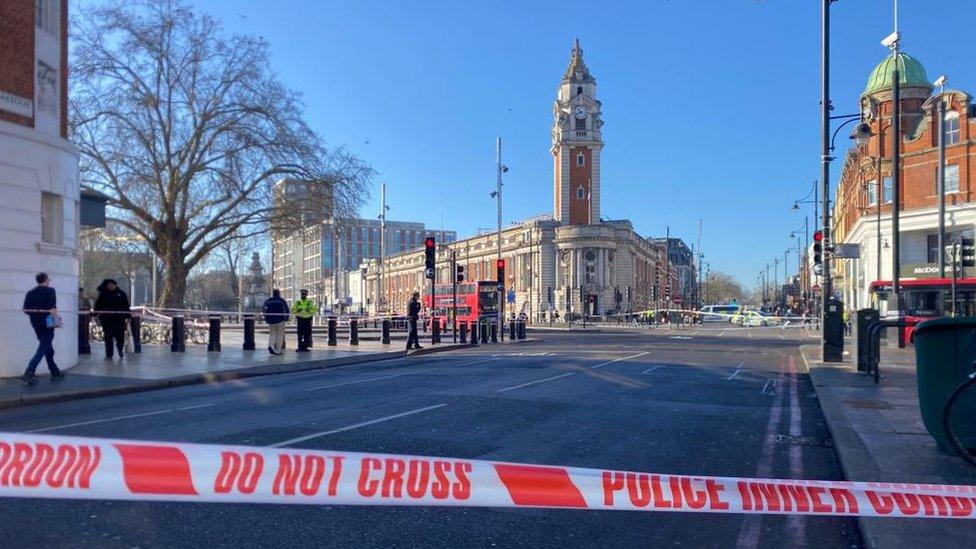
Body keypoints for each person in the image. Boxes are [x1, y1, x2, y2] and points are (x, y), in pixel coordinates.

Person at [21, 272, 64, 385]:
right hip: (48, 322)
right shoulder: (51, 291)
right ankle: (29, 371)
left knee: (48, 347)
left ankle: (55, 371)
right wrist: (57, 322)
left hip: (36, 323)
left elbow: (26, 309)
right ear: (45, 279)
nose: (49, 281)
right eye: (48, 279)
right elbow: (52, 307)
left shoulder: (30, 293)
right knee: (43, 347)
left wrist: (35, 316)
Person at [94, 278, 131, 360]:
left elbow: (126, 306)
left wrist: (128, 316)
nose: (110, 286)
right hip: (107, 320)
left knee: (120, 336)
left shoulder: (121, 294)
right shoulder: (103, 294)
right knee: (108, 337)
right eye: (108, 285)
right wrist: (94, 314)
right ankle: (109, 354)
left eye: (111, 284)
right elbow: (97, 305)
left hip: (119, 320)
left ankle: (120, 351)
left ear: (115, 285)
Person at [263, 289, 290, 355]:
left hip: (271, 321)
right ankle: (278, 350)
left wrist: (266, 318)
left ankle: (270, 345)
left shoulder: (268, 301)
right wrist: (286, 318)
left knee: (272, 334)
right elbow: (286, 310)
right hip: (280, 320)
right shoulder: (282, 301)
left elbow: (264, 309)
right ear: (279, 294)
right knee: (280, 335)